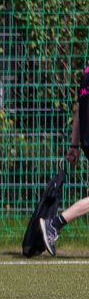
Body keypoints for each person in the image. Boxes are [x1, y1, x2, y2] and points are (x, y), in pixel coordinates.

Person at [42, 71, 89, 256]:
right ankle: (54, 225)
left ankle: (54, 225)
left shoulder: (86, 73)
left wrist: (74, 144)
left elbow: (79, 111)